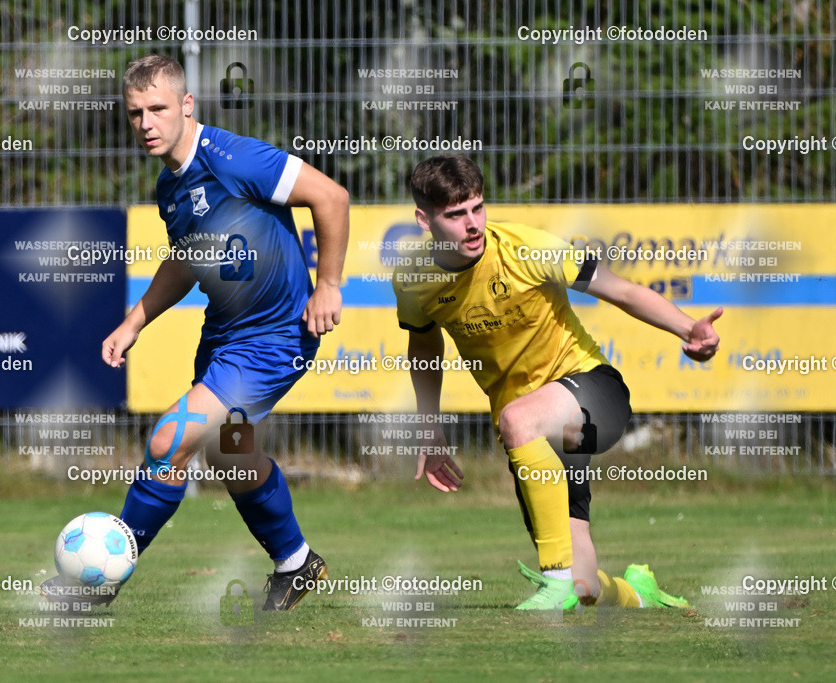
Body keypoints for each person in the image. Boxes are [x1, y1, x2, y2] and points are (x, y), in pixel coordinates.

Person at [43, 54, 349, 610]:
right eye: (135, 113)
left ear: (187, 105)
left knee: (168, 440)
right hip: (225, 338)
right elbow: (186, 260)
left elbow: (331, 197)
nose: (146, 123)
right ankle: (297, 562)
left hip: (275, 338)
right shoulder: (171, 188)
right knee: (232, 455)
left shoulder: (234, 157)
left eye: (158, 108)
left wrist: (328, 283)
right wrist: (135, 321)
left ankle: (100, 577)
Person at [394, 155, 721, 610]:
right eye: (455, 214)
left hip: (592, 392)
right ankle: (637, 593)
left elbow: (621, 290)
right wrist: (430, 428)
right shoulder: (414, 280)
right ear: (423, 219)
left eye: (477, 208)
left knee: (518, 419)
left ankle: (554, 579)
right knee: (586, 587)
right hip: (535, 439)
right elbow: (425, 348)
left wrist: (688, 329)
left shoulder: (527, 249)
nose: (472, 225)